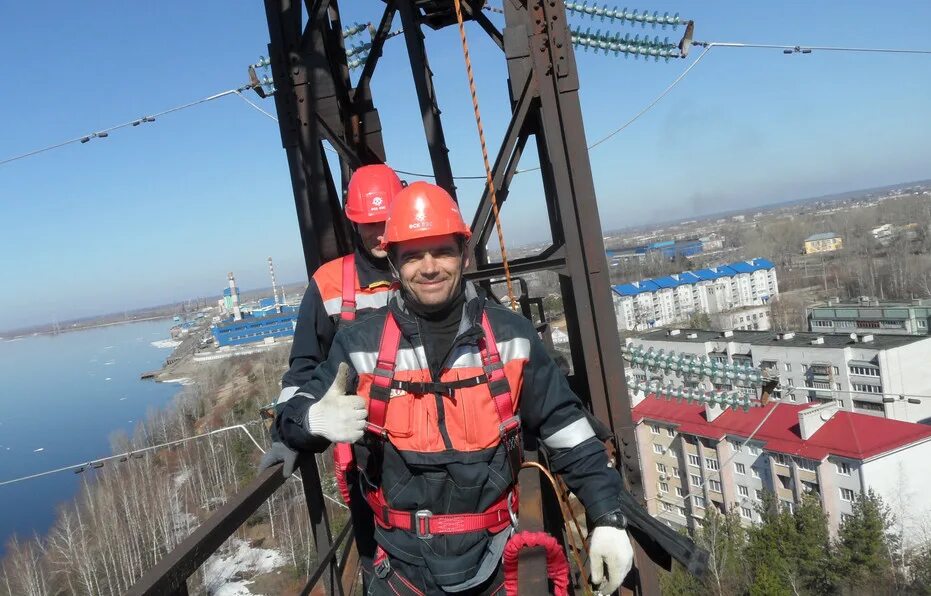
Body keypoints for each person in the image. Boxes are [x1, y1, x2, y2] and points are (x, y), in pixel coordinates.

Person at [270, 181, 634, 595]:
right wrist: (313, 419)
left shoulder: (509, 337)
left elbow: (566, 427)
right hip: (402, 571)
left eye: (442, 250)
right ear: (393, 262)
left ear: (463, 253)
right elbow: (294, 411)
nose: (428, 267)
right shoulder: (359, 345)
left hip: (494, 564)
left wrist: (606, 515)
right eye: (412, 255)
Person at [277, 163, 404, 405]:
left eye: (385, 221)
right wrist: (293, 426)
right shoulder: (328, 284)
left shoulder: (425, 274)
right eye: (369, 224)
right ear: (354, 223)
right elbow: (304, 370)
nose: (379, 234)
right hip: (359, 429)